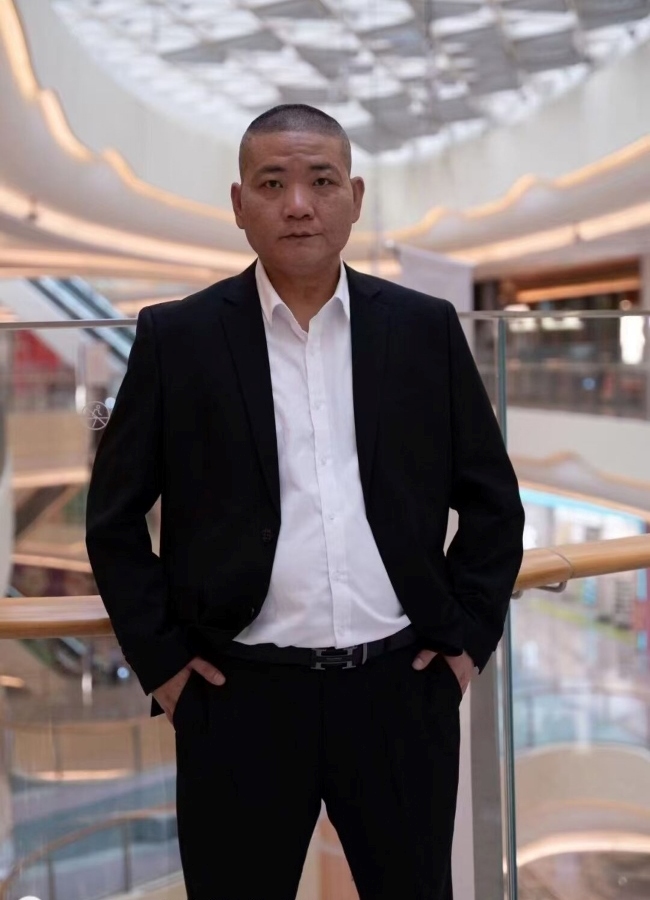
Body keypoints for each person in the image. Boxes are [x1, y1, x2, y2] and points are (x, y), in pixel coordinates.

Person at [86, 104, 525, 900]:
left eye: (321, 182)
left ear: (354, 197)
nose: (298, 204)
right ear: (238, 204)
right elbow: (113, 520)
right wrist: (166, 669)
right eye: (272, 184)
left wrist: (464, 647)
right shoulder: (177, 338)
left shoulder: (423, 328)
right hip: (235, 698)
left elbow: (494, 502)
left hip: (401, 690)